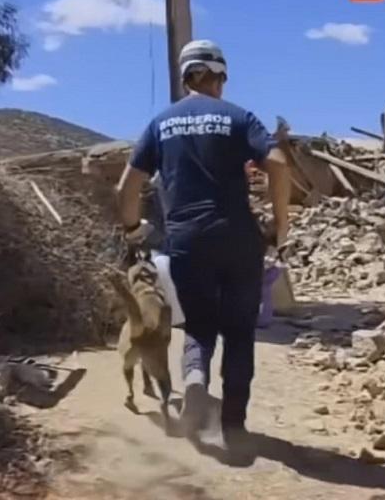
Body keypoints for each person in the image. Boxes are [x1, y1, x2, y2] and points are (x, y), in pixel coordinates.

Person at [116, 39, 290, 451]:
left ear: (185, 76)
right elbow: (279, 163)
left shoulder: (161, 124)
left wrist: (132, 230)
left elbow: (126, 187)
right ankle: (234, 425)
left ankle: (194, 381)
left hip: (186, 242)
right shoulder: (238, 117)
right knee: (239, 332)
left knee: (198, 326)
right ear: (220, 77)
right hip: (238, 239)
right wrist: (280, 222)